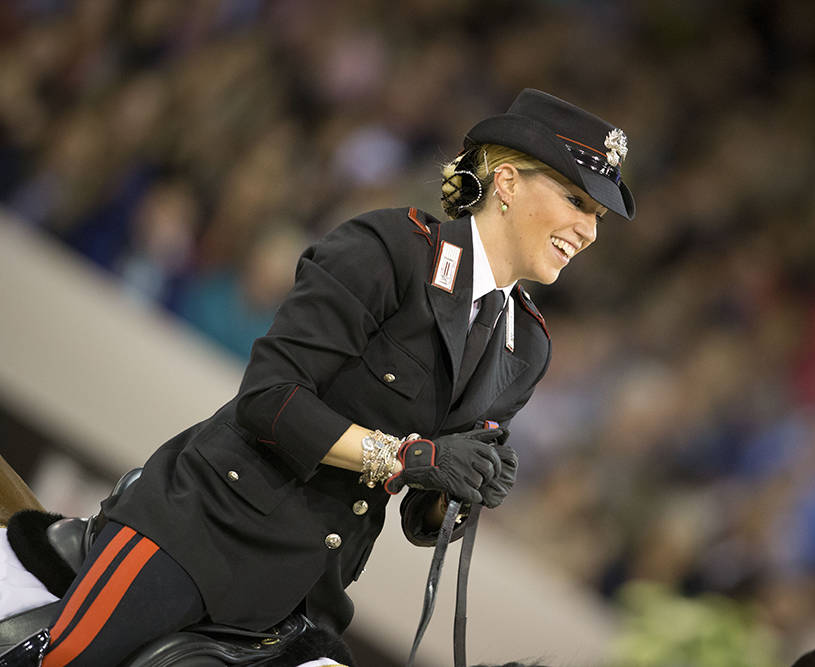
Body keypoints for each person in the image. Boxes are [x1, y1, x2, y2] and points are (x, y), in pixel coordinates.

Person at [31, 88, 636, 667]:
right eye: (577, 201)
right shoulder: (389, 249)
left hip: (310, 596)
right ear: (506, 181)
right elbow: (268, 403)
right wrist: (408, 458)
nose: (589, 230)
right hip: (205, 535)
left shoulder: (526, 347)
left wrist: (462, 488)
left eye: (598, 216)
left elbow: (419, 513)